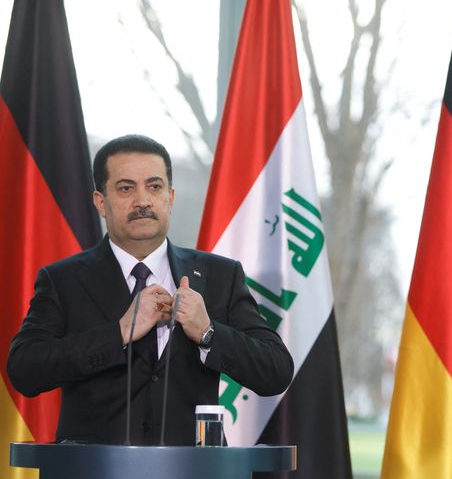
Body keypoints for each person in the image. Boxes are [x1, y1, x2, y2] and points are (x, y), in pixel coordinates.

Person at [7, 134, 293, 445]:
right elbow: (25, 369)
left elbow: (276, 371)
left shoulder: (220, 275)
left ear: (169, 198)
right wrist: (118, 332)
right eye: (126, 188)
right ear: (100, 202)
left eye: (154, 187)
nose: (142, 201)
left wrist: (208, 332)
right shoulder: (63, 279)